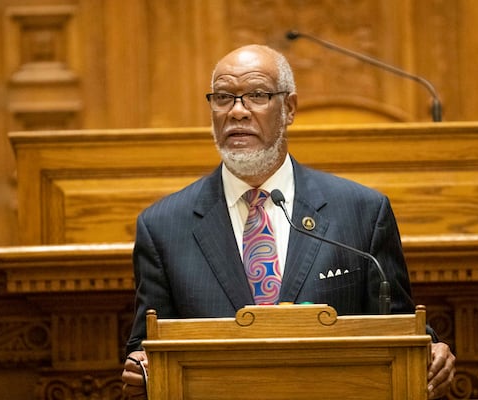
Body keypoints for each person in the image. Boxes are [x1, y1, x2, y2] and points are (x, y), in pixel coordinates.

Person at [122, 44, 455, 399]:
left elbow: (399, 328)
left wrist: (433, 352)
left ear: (290, 108)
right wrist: (140, 367)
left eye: (257, 95)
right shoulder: (163, 227)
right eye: (223, 98)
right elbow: (146, 347)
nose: (237, 112)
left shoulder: (362, 212)